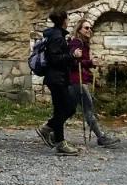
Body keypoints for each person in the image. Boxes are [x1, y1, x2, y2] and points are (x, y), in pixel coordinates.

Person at [68, 19, 118, 148]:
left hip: (78, 80)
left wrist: (91, 77)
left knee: (68, 110)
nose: (89, 30)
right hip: (76, 81)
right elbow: (73, 63)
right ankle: (101, 137)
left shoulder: (83, 43)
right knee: (88, 109)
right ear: (79, 30)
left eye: (90, 28)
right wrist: (90, 62)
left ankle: (49, 129)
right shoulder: (76, 42)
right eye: (86, 28)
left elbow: (82, 65)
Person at [36, 10, 79, 156]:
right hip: (57, 78)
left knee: (66, 108)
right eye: (67, 18)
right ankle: (57, 139)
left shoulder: (55, 35)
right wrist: (72, 55)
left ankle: (51, 131)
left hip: (58, 78)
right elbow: (55, 59)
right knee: (64, 108)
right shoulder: (57, 36)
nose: (68, 20)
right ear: (64, 20)